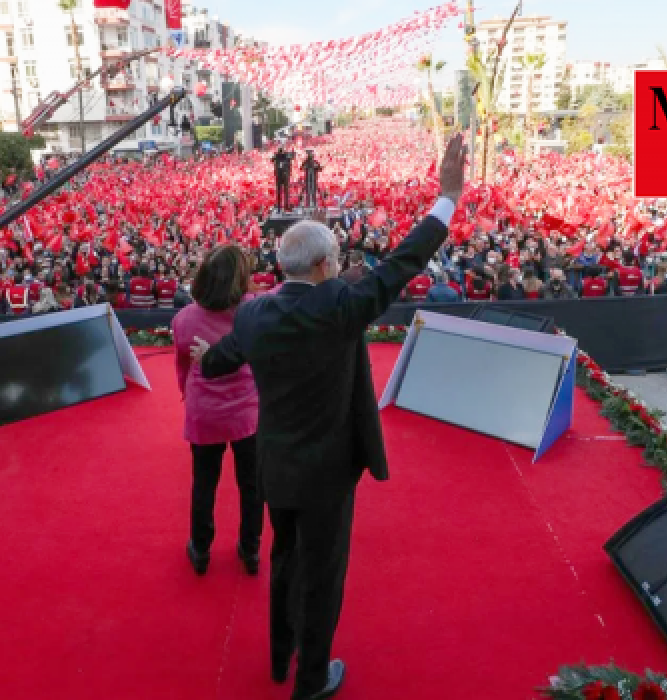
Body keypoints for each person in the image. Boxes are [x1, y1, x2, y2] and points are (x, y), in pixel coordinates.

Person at [190, 133, 466, 700]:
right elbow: (404, 261)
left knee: (285, 561)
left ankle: (279, 659)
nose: (343, 267)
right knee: (323, 577)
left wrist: (206, 358)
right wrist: (448, 197)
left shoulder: (254, 315)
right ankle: (311, 682)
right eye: (337, 260)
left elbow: (221, 363)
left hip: (276, 466)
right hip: (328, 474)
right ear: (319, 267)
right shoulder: (342, 306)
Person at [173, 244, 263, 578]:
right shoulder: (254, 310)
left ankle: (200, 549)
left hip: (205, 413)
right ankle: (251, 548)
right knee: (252, 485)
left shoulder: (184, 320)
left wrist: (188, 393)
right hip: (247, 413)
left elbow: (182, 367)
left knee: (204, 483)